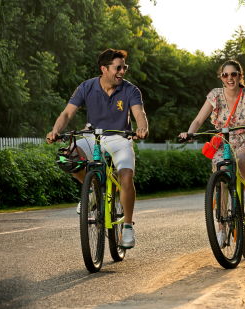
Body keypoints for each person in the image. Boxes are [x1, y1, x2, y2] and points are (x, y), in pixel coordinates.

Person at [46, 48, 149, 249]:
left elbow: (139, 113)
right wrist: (55, 131)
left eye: (124, 67)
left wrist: (142, 128)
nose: (122, 71)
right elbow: (67, 114)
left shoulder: (131, 90)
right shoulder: (86, 87)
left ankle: (127, 225)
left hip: (120, 137)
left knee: (126, 176)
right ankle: (92, 190)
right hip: (92, 136)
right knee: (68, 158)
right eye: (118, 68)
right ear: (104, 68)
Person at [179, 59, 245, 216]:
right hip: (225, 141)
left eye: (233, 74)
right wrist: (189, 132)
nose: (230, 78)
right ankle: (221, 226)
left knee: (242, 159)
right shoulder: (215, 95)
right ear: (221, 77)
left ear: (240, 75)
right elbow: (199, 119)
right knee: (221, 175)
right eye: (225, 75)